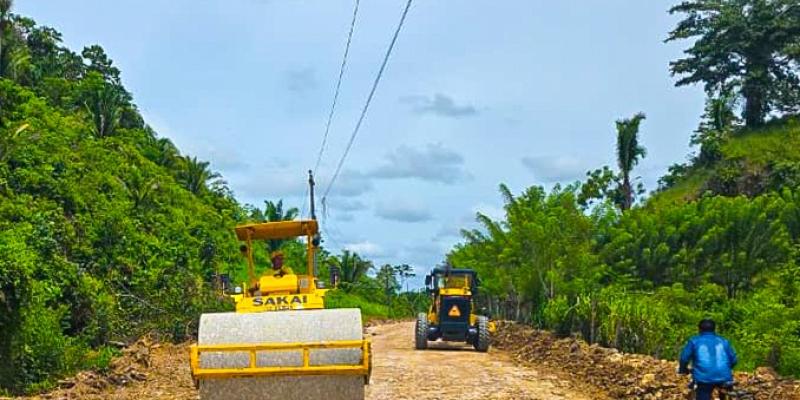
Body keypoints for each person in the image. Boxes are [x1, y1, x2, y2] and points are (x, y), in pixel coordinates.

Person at [679, 319, 738, 400]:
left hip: (704, 378)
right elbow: (734, 359)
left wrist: (683, 370)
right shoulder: (724, 341)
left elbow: (684, 358)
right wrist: (726, 369)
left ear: (699, 329)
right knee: (726, 395)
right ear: (715, 329)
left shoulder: (694, 341)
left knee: (703, 394)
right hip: (725, 377)